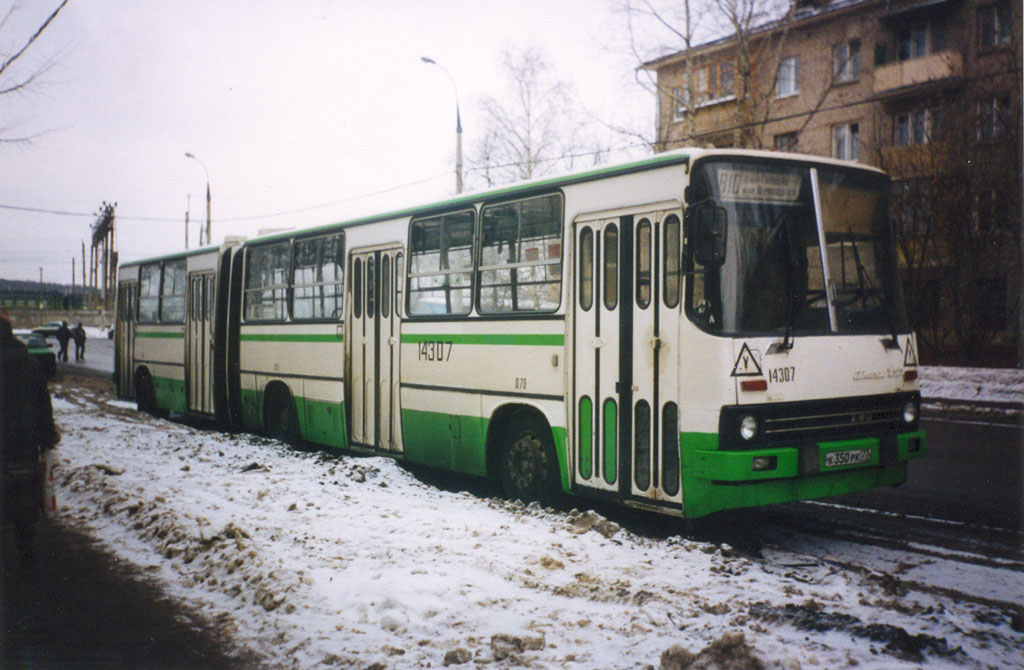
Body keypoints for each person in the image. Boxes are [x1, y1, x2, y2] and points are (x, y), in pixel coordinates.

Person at [1, 318, 60, 567]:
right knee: (24, 500)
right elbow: (43, 407)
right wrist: (48, 438)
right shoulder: (31, 365)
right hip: (24, 446)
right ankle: (27, 553)